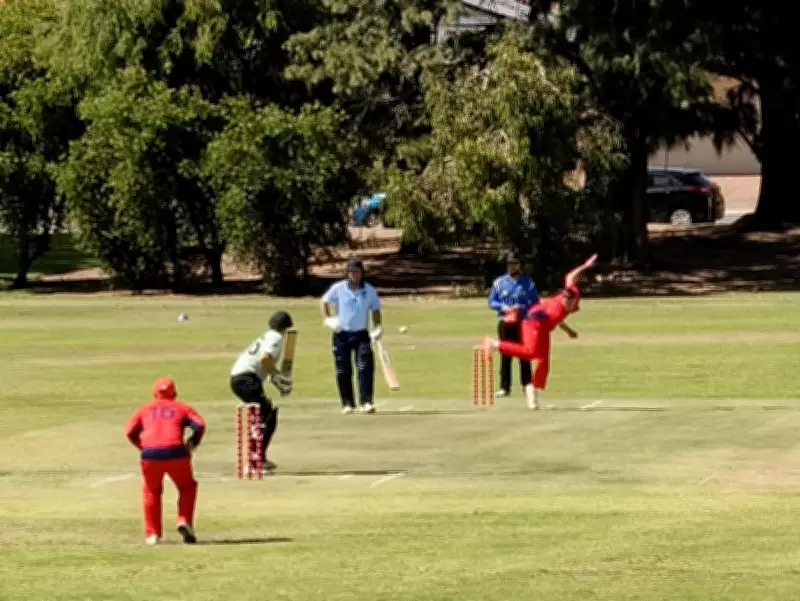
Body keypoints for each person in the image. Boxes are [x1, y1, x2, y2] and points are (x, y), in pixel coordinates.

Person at [483, 254, 598, 411]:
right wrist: (569, 331)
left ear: (574, 298)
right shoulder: (556, 311)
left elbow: (570, 275)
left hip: (543, 325)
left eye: (568, 299)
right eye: (564, 298)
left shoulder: (573, 291)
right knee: (530, 353)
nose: (565, 301)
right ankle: (495, 344)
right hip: (533, 322)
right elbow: (556, 321)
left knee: (543, 362)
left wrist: (586, 265)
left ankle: (532, 392)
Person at [124, 377, 206, 546]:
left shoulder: (144, 409)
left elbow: (130, 431)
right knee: (187, 487)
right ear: (174, 393)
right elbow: (199, 425)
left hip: (149, 454)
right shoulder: (182, 408)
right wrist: (192, 443)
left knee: (151, 490)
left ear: (154, 393)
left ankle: (152, 534)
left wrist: (142, 447)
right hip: (176, 451)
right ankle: (184, 520)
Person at [230, 310, 294, 474]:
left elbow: (266, 366)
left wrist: (279, 383)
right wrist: (278, 374)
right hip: (246, 379)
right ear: (285, 328)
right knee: (267, 416)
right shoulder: (276, 337)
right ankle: (256, 460)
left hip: (241, 378)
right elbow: (265, 359)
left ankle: (256, 458)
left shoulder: (268, 335)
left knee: (263, 415)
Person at [320, 258, 383, 414]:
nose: (354, 275)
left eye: (356, 272)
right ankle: (347, 403)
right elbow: (324, 301)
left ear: (362, 273)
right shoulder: (338, 288)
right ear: (346, 273)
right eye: (351, 272)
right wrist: (328, 319)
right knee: (343, 370)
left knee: (365, 368)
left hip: (361, 334)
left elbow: (375, 310)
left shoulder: (369, 290)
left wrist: (377, 328)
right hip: (341, 333)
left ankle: (366, 402)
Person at [488, 252, 539, 399]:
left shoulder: (527, 282)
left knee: (525, 354)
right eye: (510, 264)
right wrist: (503, 307)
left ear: (519, 265)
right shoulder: (499, 282)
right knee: (505, 355)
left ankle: (527, 385)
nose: (512, 266)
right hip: (506, 323)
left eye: (515, 264)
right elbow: (492, 302)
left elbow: (535, 302)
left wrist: (522, 307)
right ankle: (505, 387)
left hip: (523, 323)